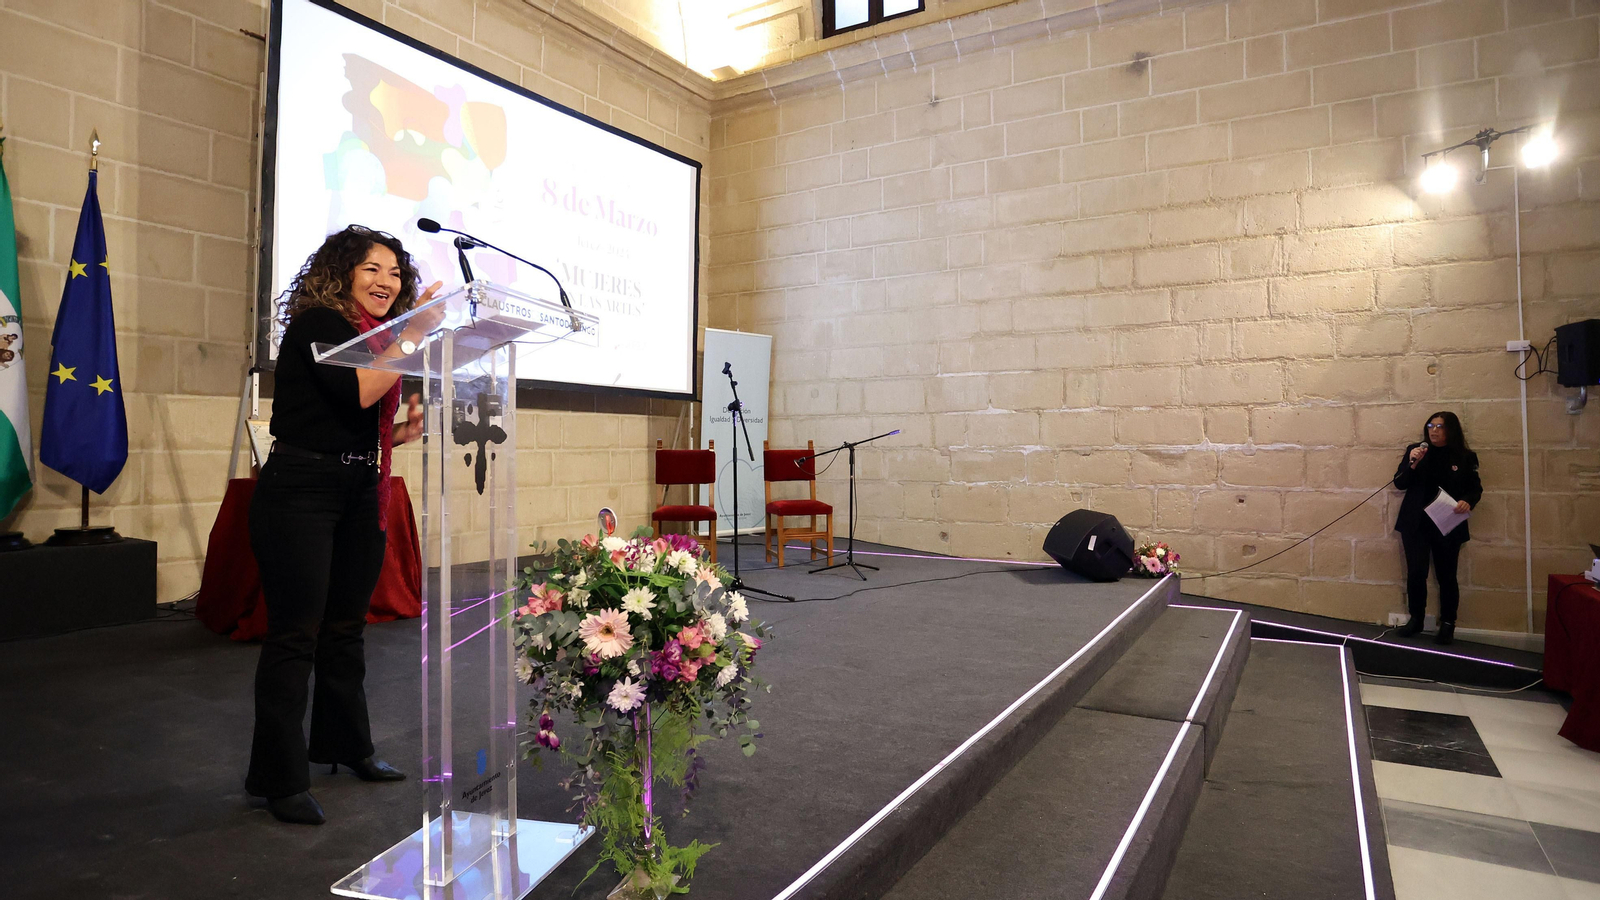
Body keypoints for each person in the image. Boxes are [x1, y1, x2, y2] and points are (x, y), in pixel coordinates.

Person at [246, 225, 444, 824]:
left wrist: (405, 427)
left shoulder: (378, 337)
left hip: (361, 488)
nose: (387, 282)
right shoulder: (319, 324)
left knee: (345, 629)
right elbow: (357, 392)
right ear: (343, 273)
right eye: (372, 269)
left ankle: (344, 745)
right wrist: (414, 333)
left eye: (395, 273)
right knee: (295, 635)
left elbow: (360, 418)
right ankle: (279, 780)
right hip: (301, 490)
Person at [1393, 411, 1482, 645]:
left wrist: (1467, 501)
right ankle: (1416, 619)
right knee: (1416, 573)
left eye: (1440, 426)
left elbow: (1475, 489)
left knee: (1447, 576)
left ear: (1451, 430)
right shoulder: (1416, 451)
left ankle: (1448, 623)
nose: (1434, 430)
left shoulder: (1465, 457)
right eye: (1431, 426)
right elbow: (1400, 482)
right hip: (1416, 524)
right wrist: (1412, 463)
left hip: (1447, 523)